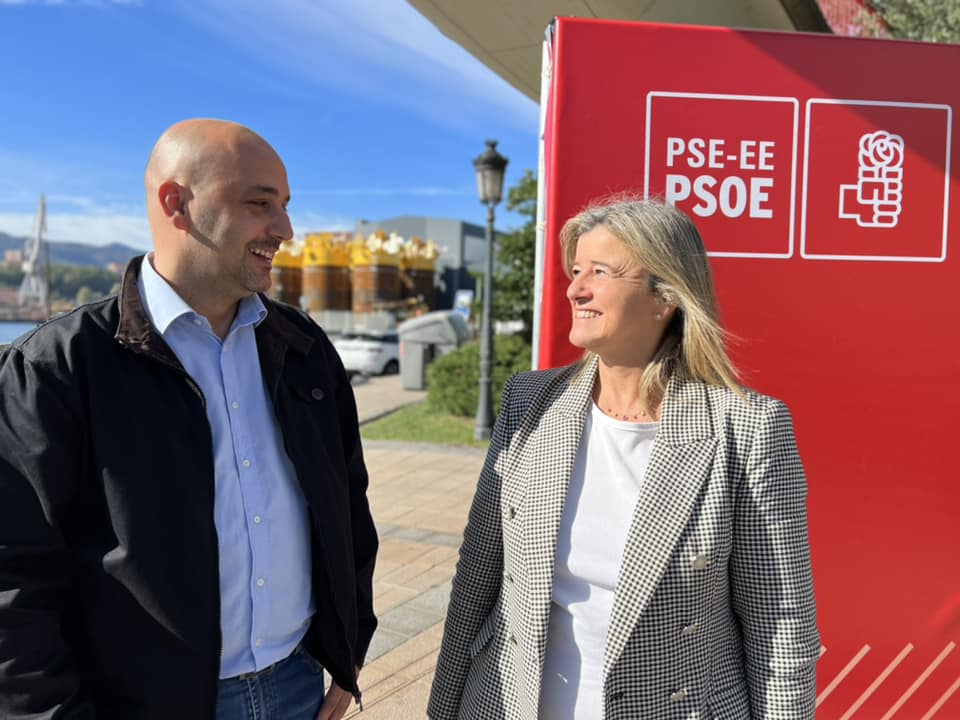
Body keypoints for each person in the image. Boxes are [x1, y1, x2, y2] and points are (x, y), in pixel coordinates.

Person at [0, 119, 378, 720]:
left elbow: (347, 505)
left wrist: (348, 642)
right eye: (260, 204)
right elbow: (13, 580)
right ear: (177, 204)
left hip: (298, 685)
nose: (284, 229)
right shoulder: (55, 366)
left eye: (284, 206)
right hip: (139, 704)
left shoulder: (303, 347)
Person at [428, 197, 820, 719]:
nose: (575, 288)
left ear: (666, 296)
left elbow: (780, 622)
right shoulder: (529, 404)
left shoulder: (746, 429)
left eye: (600, 272)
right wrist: (442, 707)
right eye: (575, 271)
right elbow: (478, 576)